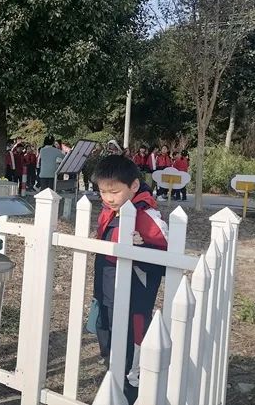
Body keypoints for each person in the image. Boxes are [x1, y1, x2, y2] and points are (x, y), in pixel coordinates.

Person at [93, 155, 168, 402]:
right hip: (106, 291)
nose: (108, 198)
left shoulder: (146, 215)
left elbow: (165, 260)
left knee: (130, 349)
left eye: (114, 192)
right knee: (106, 336)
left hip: (134, 300)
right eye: (103, 191)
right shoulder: (109, 212)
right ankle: (112, 381)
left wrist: (143, 248)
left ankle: (130, 389)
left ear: (134, 186)